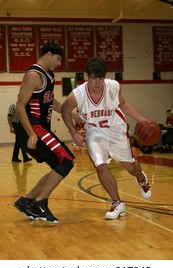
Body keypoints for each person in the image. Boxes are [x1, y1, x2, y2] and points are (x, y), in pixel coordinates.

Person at [61, 56, 151, 220]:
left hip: (116, 130)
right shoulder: (77, 94)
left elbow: (123, 104)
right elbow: (65, 110)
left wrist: (143, 120)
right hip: (95, 132)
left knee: (130, 167)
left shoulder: (113, 87)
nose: (96, 83)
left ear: (104, 77)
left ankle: (140, 177)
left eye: (100, 78)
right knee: (100, 165)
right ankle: (117, 203)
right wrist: (73, 132)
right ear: (88, 76)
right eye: (93, 78)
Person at [14, 42, 78, 223]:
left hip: (41, 129)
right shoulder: (33, 75)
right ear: (48, 54)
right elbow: (20, 106)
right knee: (67, 160)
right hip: (33, 128)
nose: (59, 63)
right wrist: (31, 133)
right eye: (58, 59)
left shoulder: (49, 75)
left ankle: (26, 201)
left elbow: (51, 102)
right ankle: (40, 202)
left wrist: (72, 114)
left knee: (59, 166)